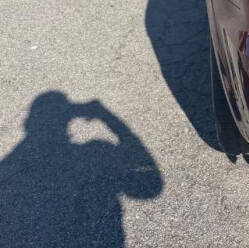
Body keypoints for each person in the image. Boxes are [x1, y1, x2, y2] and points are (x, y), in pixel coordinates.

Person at [0, 91, 162, 247]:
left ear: (28, 121)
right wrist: (104, 114)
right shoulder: (97, 150)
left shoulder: (8, 166)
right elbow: (150, 181)